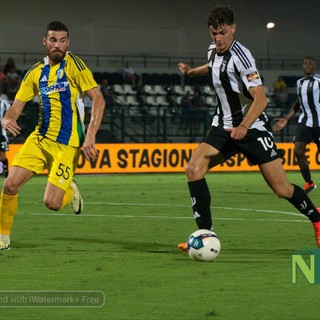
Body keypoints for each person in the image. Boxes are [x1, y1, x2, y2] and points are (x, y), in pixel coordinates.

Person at [176, 4, 320, 251]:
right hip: (223, 126)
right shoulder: (213, 49)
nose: (218, 38)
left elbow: (261, 99)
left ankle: (317, 219)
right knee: (193, 168)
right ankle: (205, 234)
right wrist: (191, 72)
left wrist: (244, 125)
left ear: (233, 28)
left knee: (282, 189)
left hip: (252, 128)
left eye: (222, 32)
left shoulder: (243, 58)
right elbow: (212, 65)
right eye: (214, 33)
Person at [0, 21, 105, 250]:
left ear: (68, 42)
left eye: (63, 40)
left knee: (52, 203)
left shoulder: (74, 65)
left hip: (67, 144)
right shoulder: (36, 73)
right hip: (40, 139)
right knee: (9, 186)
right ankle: (3, 238)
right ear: (44, 42)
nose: (58, 45)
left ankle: (70, 189)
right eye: (53, 40)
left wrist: (90, 137)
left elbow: (98, 98)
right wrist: (8, 118)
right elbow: (16, 106)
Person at [273, 57, 320, 194]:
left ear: (314, 66)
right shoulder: (299, 83)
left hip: (319, 123)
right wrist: (287, 119)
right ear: (303, 66)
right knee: (298, 151)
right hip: (305, 122)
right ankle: (310, 183)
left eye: (310, 64)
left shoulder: (318, 81)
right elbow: (298, 103)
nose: (308, 66)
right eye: (305, 64)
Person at [0, 98, 10, 177]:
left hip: (1, 133)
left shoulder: (3, 102)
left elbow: (10, 111)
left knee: (3, 154)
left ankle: (6, 171)